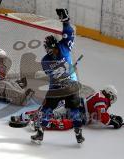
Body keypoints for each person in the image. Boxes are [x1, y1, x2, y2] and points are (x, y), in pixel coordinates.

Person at [29, 8, 85, 144]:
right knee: (67, 109)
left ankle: (43, 133)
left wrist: (65, 21)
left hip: (61, 87)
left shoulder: (45, 60)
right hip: (69, 86)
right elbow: (69, 33)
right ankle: (76, 132)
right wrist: (65, 21)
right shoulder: (64, 47)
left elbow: (53, 78)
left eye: (52, 49)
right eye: (51, 49)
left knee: (58, 109)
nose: (52, 51)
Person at [10, 85, 123, 130]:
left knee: (51, 112)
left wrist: (111, 117)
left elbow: (97, 112)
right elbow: (101, 115)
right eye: (113, 98)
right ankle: (42, 123)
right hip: (78, 112)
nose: (112, 101)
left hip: (73, 106)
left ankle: (22, 116)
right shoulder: (102, 100)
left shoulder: (99, 95)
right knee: (69, 123)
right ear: (110, 94)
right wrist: (111, 122)